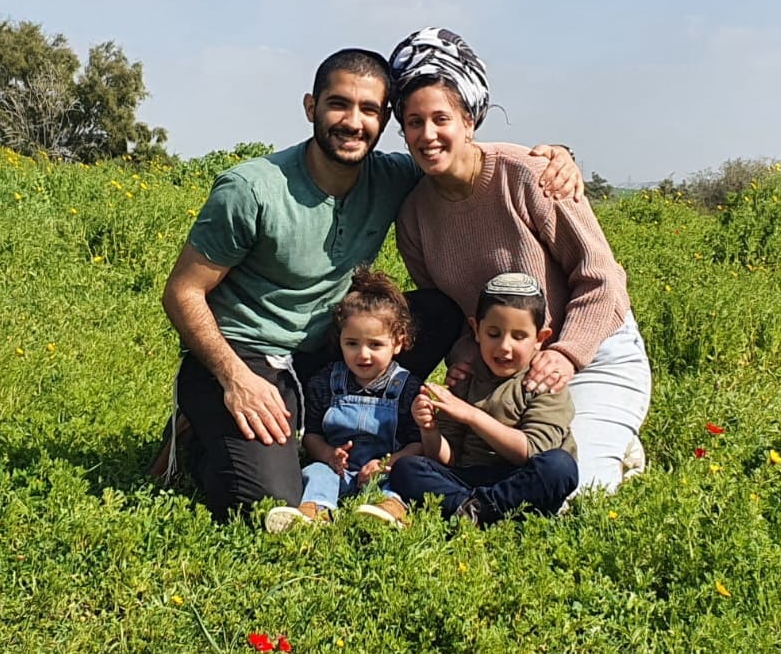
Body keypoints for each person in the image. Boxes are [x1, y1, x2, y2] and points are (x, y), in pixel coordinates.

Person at [156, 45, 584, 521]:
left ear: (384, 121)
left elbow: (459, 151)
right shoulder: (252, 189)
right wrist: (236, 379)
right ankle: (200, 429)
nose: (353, 122)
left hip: (329, 347)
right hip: (250, 355)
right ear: (310, 107)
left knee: (437, 311)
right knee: (265, 502)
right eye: (338, 104)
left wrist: (555, 156)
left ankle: (400, 434)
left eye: (370, 110)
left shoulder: (390, 176)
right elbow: (182, 292)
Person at [390, 27, 652, 495]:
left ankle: (608, 436)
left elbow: (602, 280)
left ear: (469, 120)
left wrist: (567, 354)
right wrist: (467, 358)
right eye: (413, 122)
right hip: (503, 371)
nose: (427, 135)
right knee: (498, 473)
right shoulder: (413, 216)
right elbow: (451, 312)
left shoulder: (529, 175)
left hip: (589, 353)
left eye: (441, 118)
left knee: (575, 494)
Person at [367, 273, 578, 527]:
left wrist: (470, 414)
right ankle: (478, 511)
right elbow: (446, 458)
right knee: (408, 469)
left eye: (519, 336)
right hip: (468, 475)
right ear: (476, 330)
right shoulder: (466, 375)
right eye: (493, 333)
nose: (504, 347)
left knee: (559, 467)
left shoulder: (543, 381)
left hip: (518, 478)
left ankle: (468, 508)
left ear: (540, 339)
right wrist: (429, 429)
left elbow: (533, 451)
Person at [265, 268, 423, 532]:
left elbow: (418, 444)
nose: (363, 354)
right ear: (339, 341)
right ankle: (316, 511)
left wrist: (388, 463)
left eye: (375, 345)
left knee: (402, 477)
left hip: (384, 469)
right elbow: (311, 434)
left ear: (398, 343)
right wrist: (328, 455)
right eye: (352, 343)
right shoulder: (326, 381)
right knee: (316, 472)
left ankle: (389, 510)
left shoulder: (407, 387)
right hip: (340, 472)